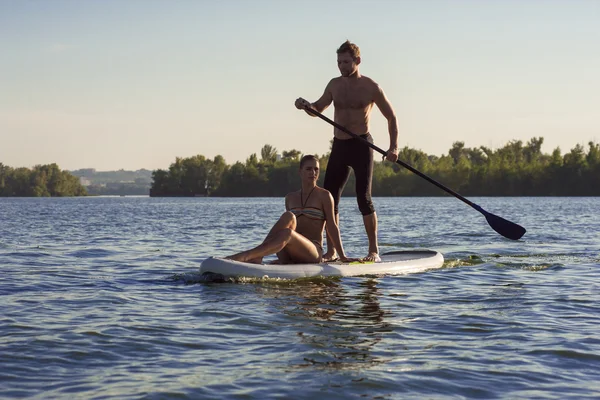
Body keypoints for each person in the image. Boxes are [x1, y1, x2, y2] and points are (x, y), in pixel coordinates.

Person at [295, 40, 399, 262]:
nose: (342, 66)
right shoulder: (334, 85)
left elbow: (391, 117)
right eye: (339, 62)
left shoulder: (371, 87)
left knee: (364, 199)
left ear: (357, 61)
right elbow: (318, 109)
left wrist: (393, 148)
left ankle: (374, 251)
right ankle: (332, 251)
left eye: (346, 62)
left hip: (362, 145)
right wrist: (306, 106)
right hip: (339, 145)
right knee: (330, 199)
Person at [226, 155, 357, 264]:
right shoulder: (290, 197)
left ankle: (246, 256)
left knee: (287, 233)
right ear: (300, 172)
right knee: (288, 216)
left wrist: (342, 256)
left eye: (316, 169)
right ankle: (257, 256)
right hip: (289, 251)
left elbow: (332, 226)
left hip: (312, 252)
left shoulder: (324, 196)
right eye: (309, 169)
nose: (313, 173)